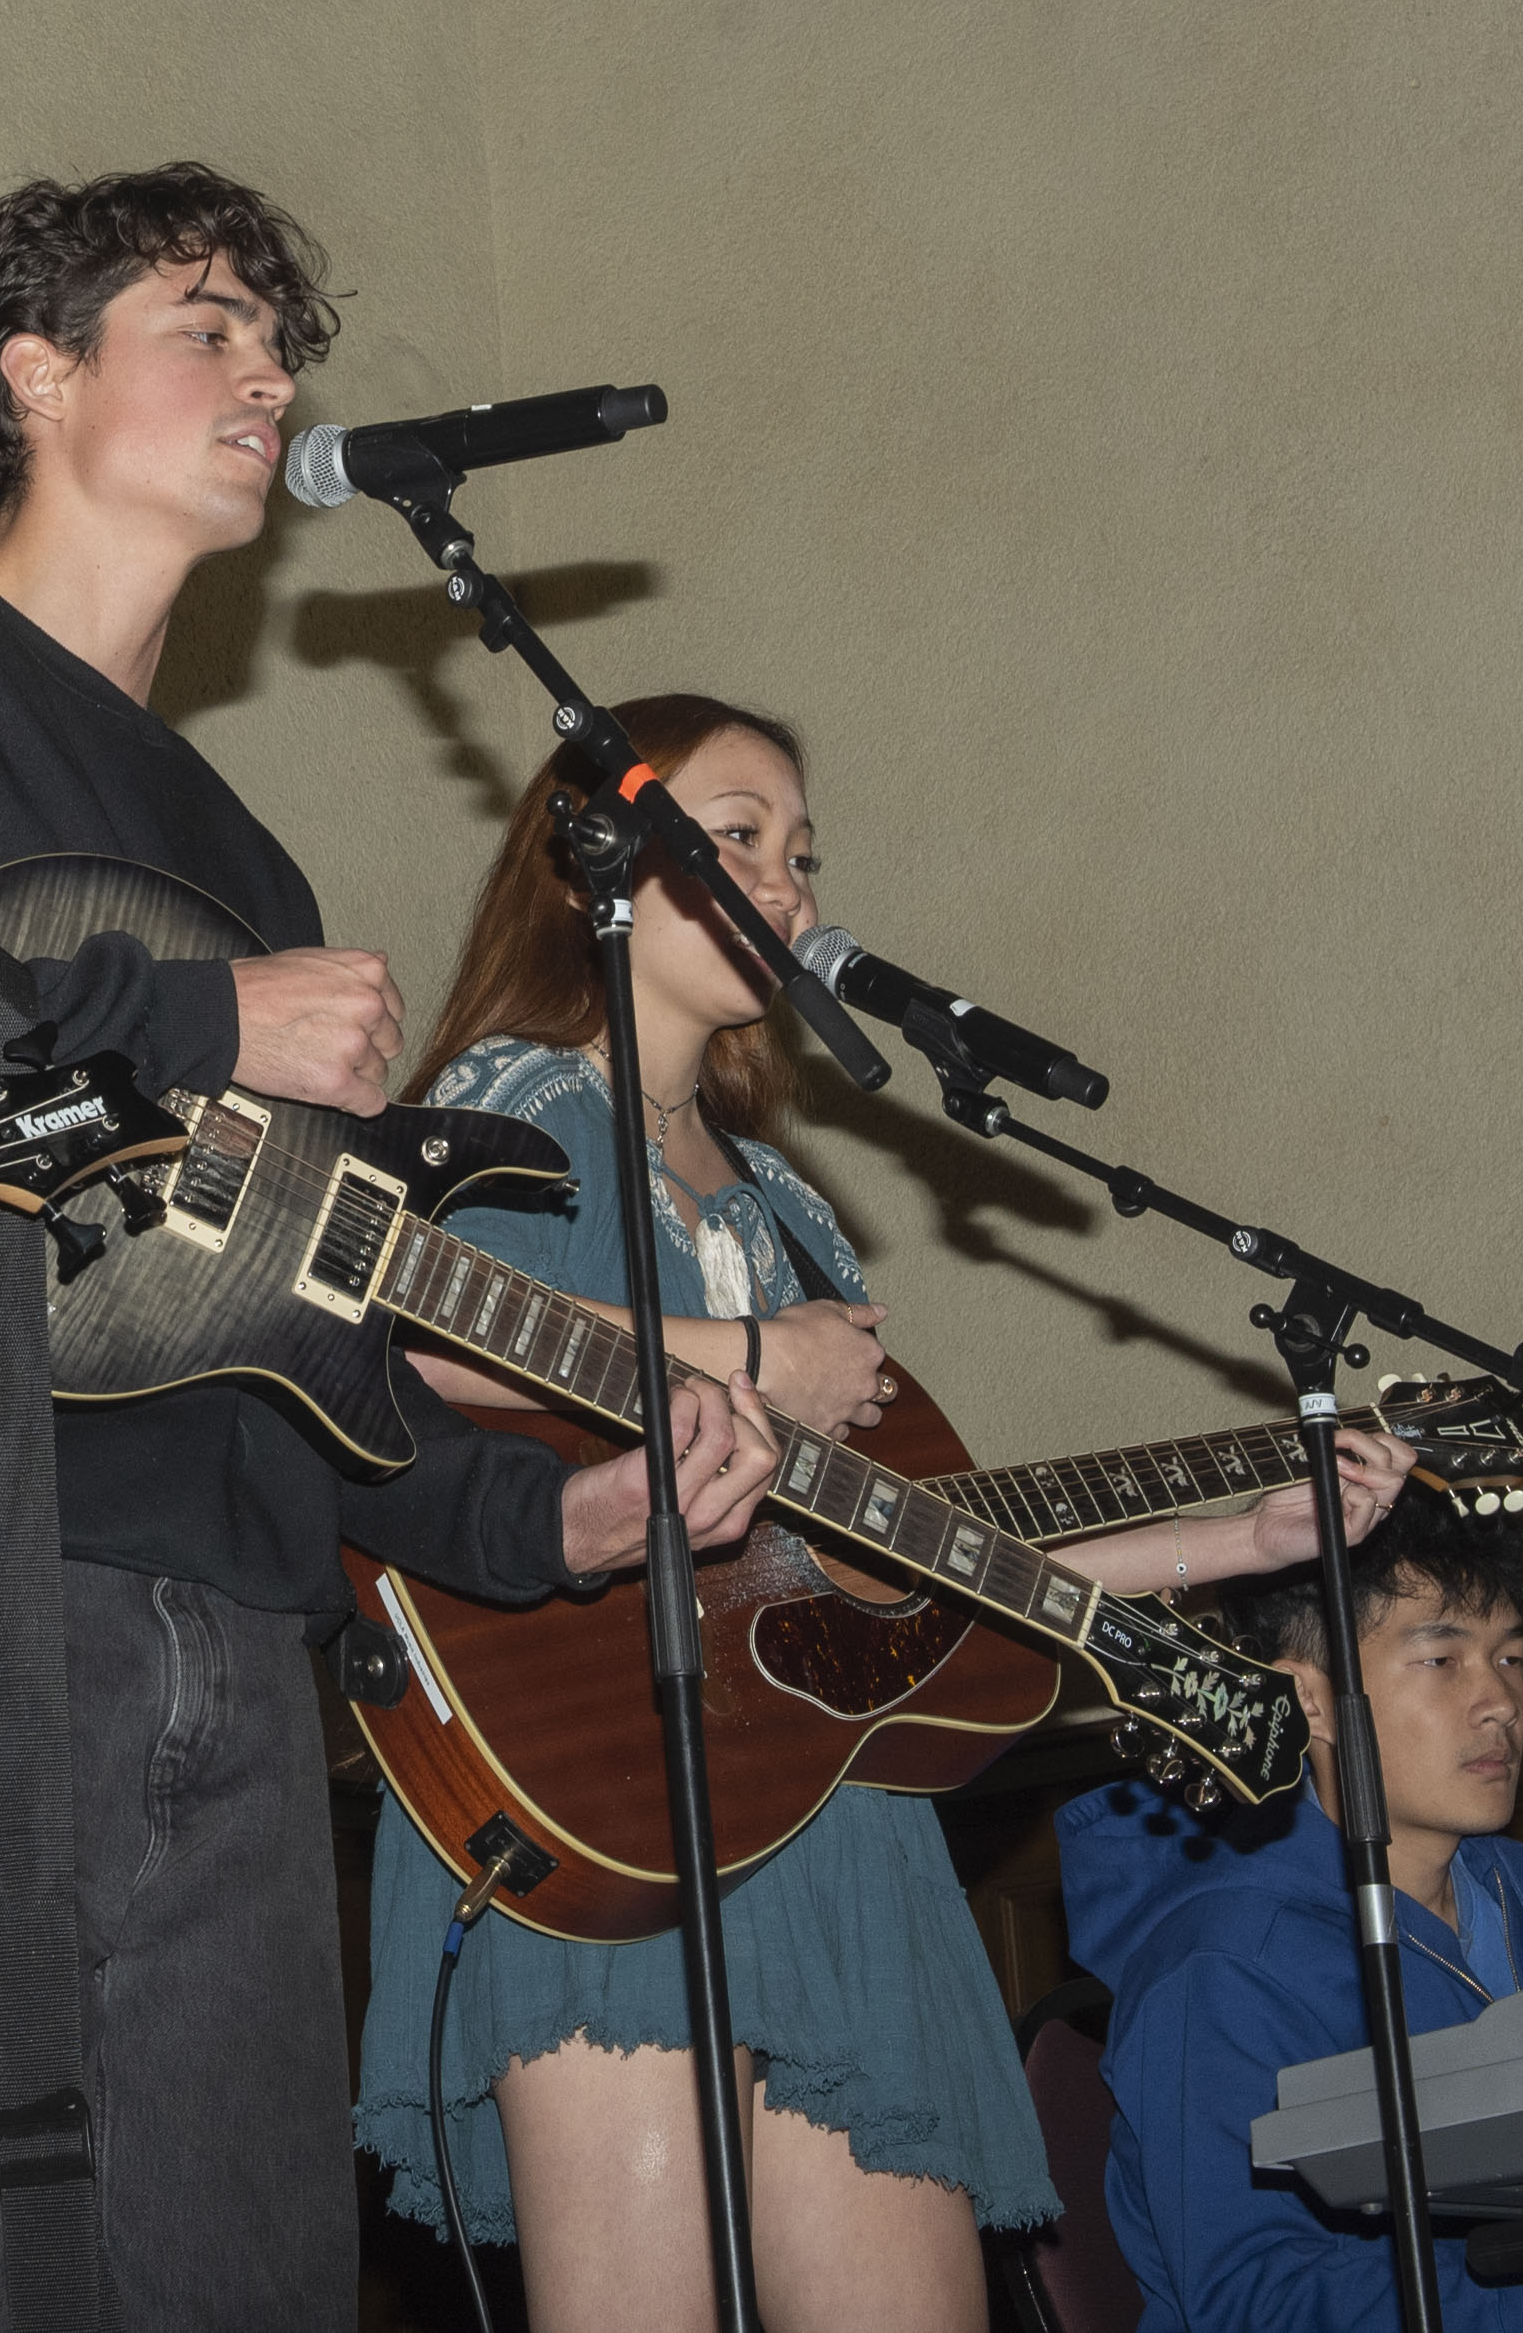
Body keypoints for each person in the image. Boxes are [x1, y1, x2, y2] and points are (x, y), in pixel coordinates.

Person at [0, 165, 785, 2330]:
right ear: (38, 373)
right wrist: (187, 1024)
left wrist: (553, 1515)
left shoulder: (237, 849)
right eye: (208, 324)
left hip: (236, 1650)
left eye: (286, 345)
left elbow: (320, 1349)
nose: (270, 374)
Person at [353, 695, 1413, 2333]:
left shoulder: (785, 1204)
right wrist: (747, 1358)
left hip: (829, 1816)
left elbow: (907, 1551)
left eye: (798, 856)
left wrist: (1246, 1534)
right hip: (610, 1778)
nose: (781, 883)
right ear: (589, 873)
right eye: (735, 837)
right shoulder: (510, 1106)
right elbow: (402, 1325)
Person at [1062, 1492, 1523, 2330]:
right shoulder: (1224, 1968)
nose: (1500, 1704)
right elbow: (1253, 2304)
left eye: (1511, 1658)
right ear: (1310, 1699)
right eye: (1442, 1662)